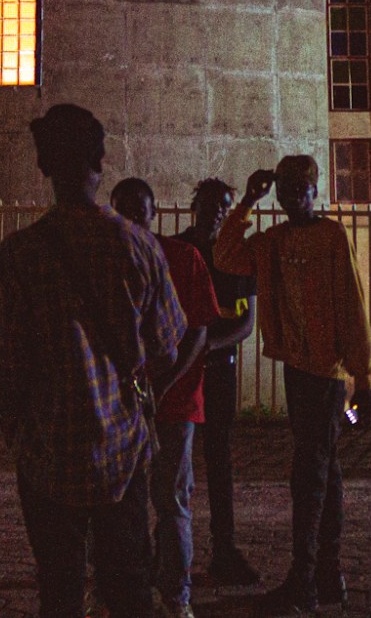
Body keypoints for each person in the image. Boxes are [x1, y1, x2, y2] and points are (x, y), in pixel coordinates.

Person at [0, 105, 189, 618]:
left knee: (59, 590)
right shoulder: (138, 247)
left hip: (48, 451)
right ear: (101, 160)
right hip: (120, 449)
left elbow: (1, 361)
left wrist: (20, 431)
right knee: (129, 588)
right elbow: (167, 347)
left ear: (43, 165)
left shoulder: (18, 255)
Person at [214, 155, 371, 615]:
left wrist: (362, 377)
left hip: (324, 375)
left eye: (299, 190)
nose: (291, 199)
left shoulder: (330, 237)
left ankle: (306, 581)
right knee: (323, 472)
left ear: (314, 190)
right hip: (297, 369)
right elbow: (226, 256)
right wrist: (247, 200)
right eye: (284, 191)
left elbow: (352, 303)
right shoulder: (274, 241)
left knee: (311, 475)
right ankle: (326, 576)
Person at [108, 179, 243, 618]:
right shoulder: (158, 257)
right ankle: (161, 595)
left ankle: (171, 594)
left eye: (137, 211)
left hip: (166, 399)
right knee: (157, 501)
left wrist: (161, 384)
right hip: (151, 399)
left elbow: (202, 330)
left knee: (162, 500)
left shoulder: (183, 258)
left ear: (153, 213)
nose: (131, 219)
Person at [172, 178, 261, 585]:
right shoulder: (178, 249)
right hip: (181, 372)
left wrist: (202, 347)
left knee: (218, 462)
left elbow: (244, 323)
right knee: (175, 461)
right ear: (196, 206)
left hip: (216, 369)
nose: (217, 212)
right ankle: (170, 549)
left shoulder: (232, 257)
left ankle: (222, 549)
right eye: (210, 205)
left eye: (224, 206)